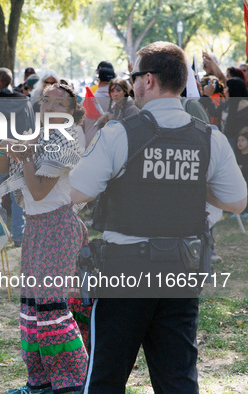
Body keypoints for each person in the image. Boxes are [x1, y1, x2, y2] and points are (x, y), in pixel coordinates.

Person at [70, 41, 247, 393]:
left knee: (106, 376)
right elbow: (238, 202)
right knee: (177, 378)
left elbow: (76, 193)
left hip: (125, 272)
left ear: (148, 80)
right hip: (181, 268)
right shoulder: (208, 138)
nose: (132, 84)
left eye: (134, 76)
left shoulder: (119, 133)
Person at [0, 83, 89, 394]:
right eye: (45, 101)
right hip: (35, 226)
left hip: (58, 227)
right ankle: (40, 382)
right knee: (32, 308)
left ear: (71, 112)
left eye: (59, 104)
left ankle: (73, 382)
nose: (49, 108)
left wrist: (23, 156)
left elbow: (38, 190)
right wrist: (6, 145)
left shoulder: (68, 139)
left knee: (52, 310)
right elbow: (2, 171)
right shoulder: (36, 136)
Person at [0, 67, 34, 247]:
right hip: (19, 151)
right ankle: (19, 235)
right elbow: (31, 126)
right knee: (19, 195)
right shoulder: (25, 101)